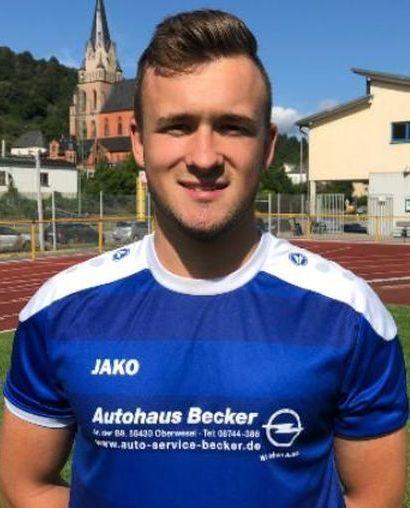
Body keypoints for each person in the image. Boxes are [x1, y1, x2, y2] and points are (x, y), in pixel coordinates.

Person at [0, 9, 407, 508]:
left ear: (268, 147)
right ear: (137, 142)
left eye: (232, 127)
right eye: (177, 126)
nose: (205, 157)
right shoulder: (57, 311)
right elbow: (27, 484)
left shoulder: (352, 315)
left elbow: (376, 496)